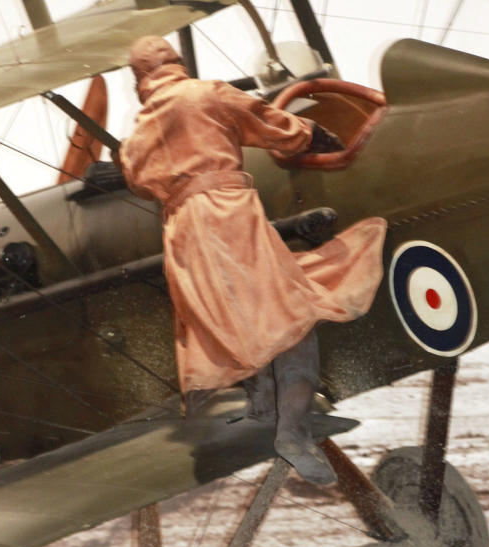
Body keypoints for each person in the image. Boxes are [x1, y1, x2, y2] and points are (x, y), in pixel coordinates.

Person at [118, 37, 387, 487]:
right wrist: (310, 134)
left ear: (138, 80)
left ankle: (262, 409)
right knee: (291, 316)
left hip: (183, 235)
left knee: (233, 323)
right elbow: (268, 124)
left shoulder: (139, 131)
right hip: (228, 217)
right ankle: (292, 434)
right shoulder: (206, 93)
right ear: (177, 64)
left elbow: (138, 180)